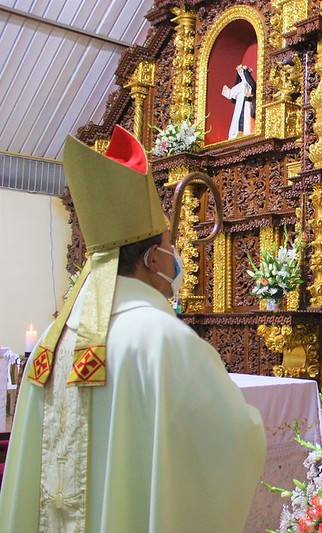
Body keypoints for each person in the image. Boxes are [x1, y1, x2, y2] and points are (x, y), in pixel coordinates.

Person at [0, 126, 266, 532]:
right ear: (151, 258)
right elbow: (231, 441)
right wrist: (254, 427)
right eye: (168, 244)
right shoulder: (162, 340)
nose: (174, 256)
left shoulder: (52, 344)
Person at [222, 64, 256, 139]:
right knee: (237, 117)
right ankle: (235, 133)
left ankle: (247, 132)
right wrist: (227, 91)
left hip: (247, 103)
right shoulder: (239, 85)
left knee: (246, 117)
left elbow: (252, 92)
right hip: (239, 104)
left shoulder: (249, 85)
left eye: (242, 72)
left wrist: (249, 96)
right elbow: (231, 93)